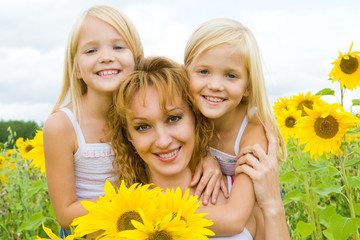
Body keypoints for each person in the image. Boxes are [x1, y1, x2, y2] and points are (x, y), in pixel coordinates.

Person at [108, 56, 266, 239]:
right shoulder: (121, 217)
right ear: (129, 137)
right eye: (143, 127)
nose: (163, 141)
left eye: (173, 118)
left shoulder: (240, 194)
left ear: (196, 118)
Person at [42, 5, 144, 236]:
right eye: (90, 51)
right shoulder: (62, 125)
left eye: (118, 47)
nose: (106, 57)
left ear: (136, 59)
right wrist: (131, 208)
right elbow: (66, 215)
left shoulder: (147, 115)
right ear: (76, 68)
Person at [183, 17, 287, 232]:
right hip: (212, 206)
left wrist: (156, 211)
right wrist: (203, 153)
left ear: (248, 86)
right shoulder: (185, 113)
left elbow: (236, 218)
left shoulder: (253, 130)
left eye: (231, 75)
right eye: (203, 71)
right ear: (186, 73)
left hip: (250, 212)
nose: (215, 85)